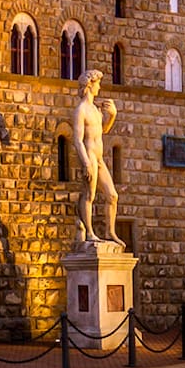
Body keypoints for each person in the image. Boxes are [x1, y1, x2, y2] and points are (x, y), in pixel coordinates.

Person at [71, 70, 121, 245]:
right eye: (98, 82)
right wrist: (85, 163)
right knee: (89, 195)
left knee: (112, 196)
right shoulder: (81, 110)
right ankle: (90, 232)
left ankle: (110, 232)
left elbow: (104, 130)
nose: (100, 86)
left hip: (99, 159)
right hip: (90, 156)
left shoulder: (96, 109)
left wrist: (112, 115)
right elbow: (77, 140)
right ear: (90, 85)